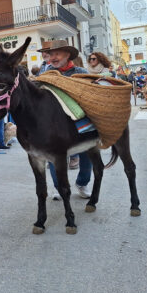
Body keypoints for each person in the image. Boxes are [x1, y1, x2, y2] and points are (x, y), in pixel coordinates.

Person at [44, 40, 92, 200]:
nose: (53, 57)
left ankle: (82, 183)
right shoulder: (46, 74)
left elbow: (89, 96)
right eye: (51, 54)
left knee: (88, 151)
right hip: (53, 122)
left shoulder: (80, 72)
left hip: (78, 120)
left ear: (67, 55)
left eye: (57, 53)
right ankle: (59, 187)